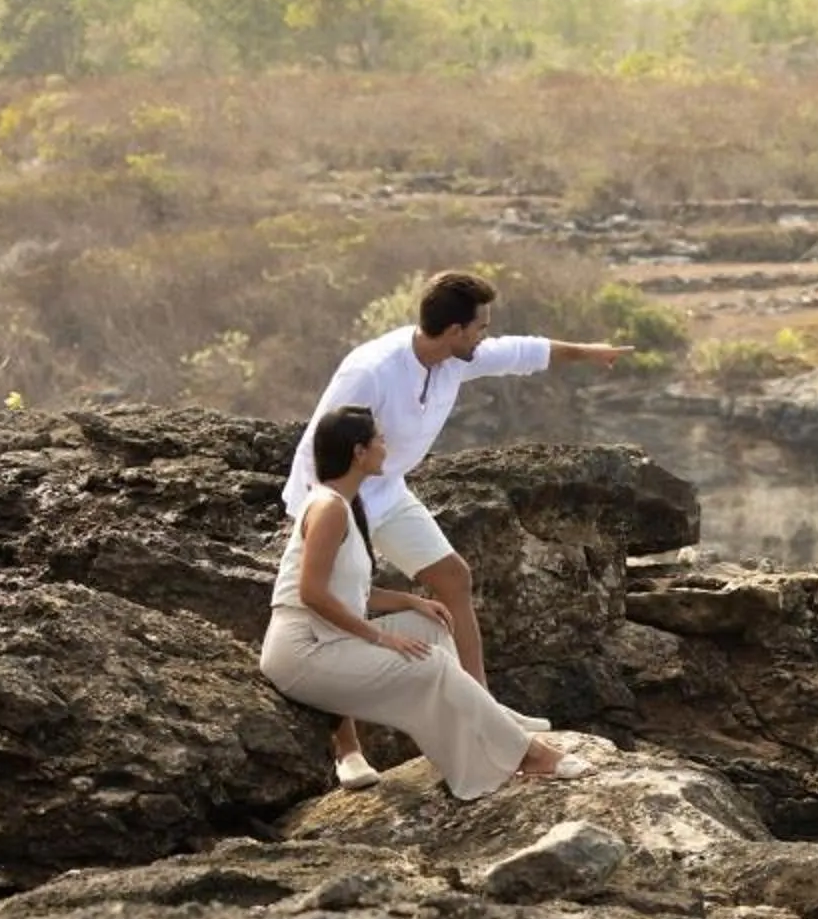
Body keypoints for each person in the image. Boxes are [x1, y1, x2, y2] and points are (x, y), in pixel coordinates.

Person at [283, 269, 632, 787]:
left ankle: (484, 709)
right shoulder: (372, 370)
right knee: (340, 605)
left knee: (454, 578)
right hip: (334, 494)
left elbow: (520, 353)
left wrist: (588, 351)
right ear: (452, 331)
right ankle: (347, 750)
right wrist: (334, 514)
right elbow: (323, 444)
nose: (485, 336)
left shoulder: (454, 358)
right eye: (480, 328)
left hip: (389, 490)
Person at [261, 405, 588, 800]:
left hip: (328, 638)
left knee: (431, 627)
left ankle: (468, 746)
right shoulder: (329, 508)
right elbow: (310, 594)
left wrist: (411, 601)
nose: (386, 446)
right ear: (358, 452)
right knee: (428, 663)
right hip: (302, 653)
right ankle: (526, 753)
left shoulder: (345, 505)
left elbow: (351, 592)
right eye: (379, 439)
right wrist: (382, 639)